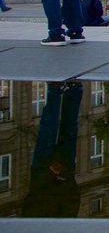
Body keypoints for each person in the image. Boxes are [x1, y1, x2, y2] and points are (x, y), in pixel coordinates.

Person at [21, 81, 83, 218]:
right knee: (64, 128)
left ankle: (61, 90)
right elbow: (73, 198)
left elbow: (31, 200)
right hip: (58, 171)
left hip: (43, 171)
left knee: (51, 128)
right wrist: (63, 175)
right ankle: (68, 90)